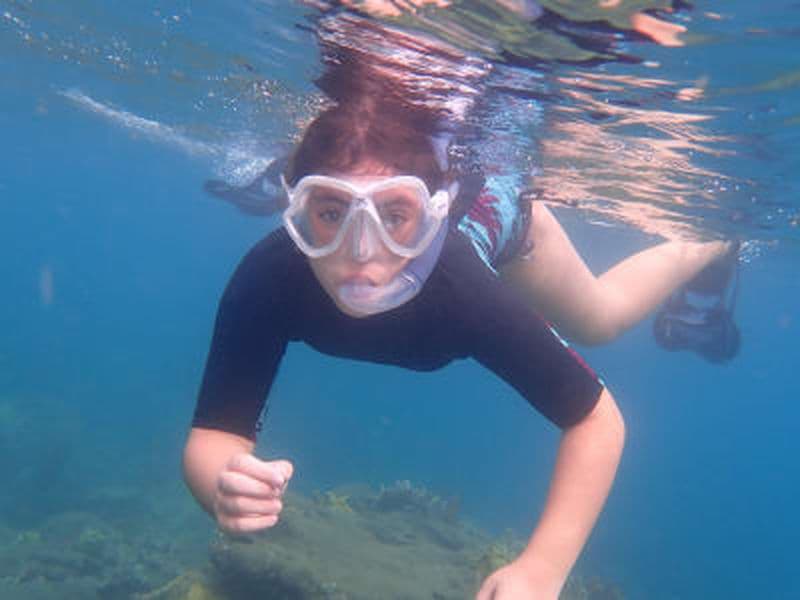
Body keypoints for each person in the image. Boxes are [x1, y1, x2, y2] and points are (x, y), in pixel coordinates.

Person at [185, 95, 625, 600]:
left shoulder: (464, 293)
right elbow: (214, 435)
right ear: (296, 209)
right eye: (331, 212)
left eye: (394, 216)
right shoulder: (269, 278)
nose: (360, 250)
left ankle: (701, 249)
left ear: (433, 214)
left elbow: (596, 420)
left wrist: (542, 569)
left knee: (601, 320)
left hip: (511, 226)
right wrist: (220, 484)